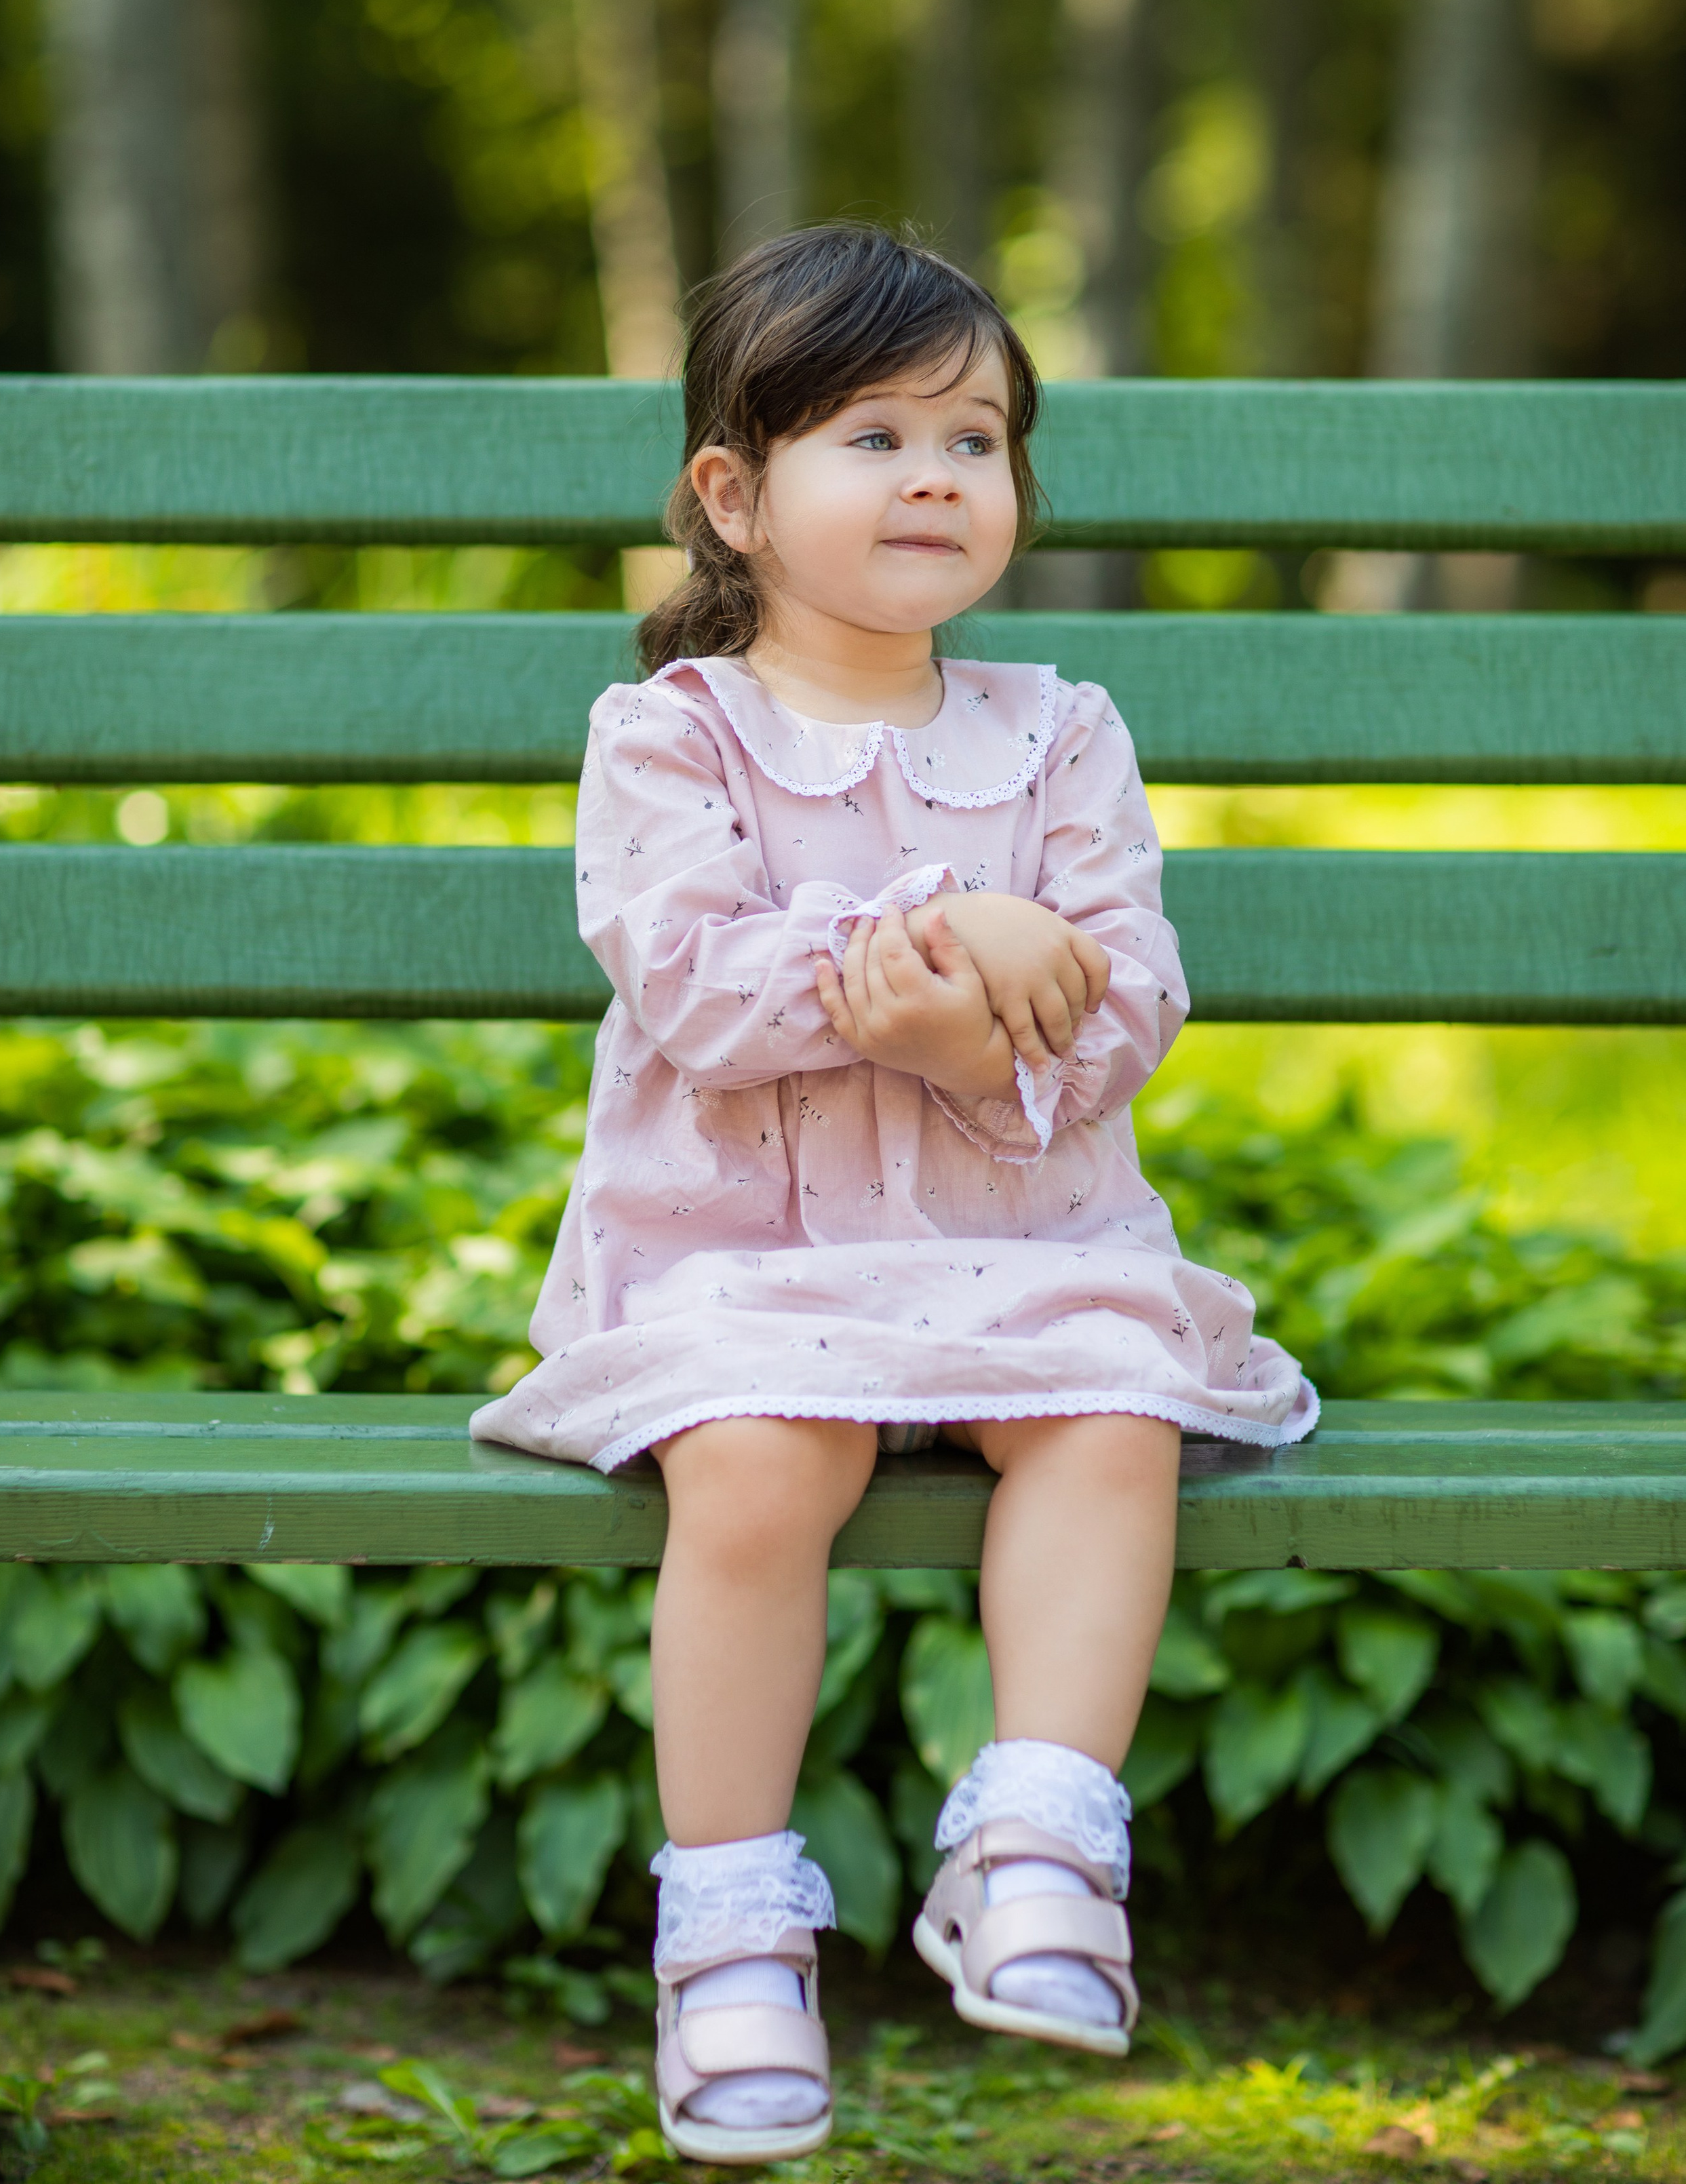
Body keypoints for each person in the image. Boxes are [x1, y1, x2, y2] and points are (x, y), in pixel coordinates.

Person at [471, 222, 1315, 2164]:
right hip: (746, 1268)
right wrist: (955, 949)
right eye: (874, 436)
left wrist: (974, 1039)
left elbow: (1130, 997)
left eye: (974, 440)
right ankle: (730, 1935)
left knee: (1113, 1416)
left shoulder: (1061, 733)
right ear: (734, 495)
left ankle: (1038, 1843)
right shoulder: (672, 736)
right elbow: (698, 986)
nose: (937, 476)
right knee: (764, 1462)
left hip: (1018, 1252)